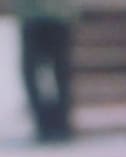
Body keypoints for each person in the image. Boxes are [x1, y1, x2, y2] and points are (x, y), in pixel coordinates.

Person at [13, 0, 79, 142]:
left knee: (58, 72)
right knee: (42, 73)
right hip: (40, 15)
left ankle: (57, 122)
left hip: (54, 15)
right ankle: (48, 123)